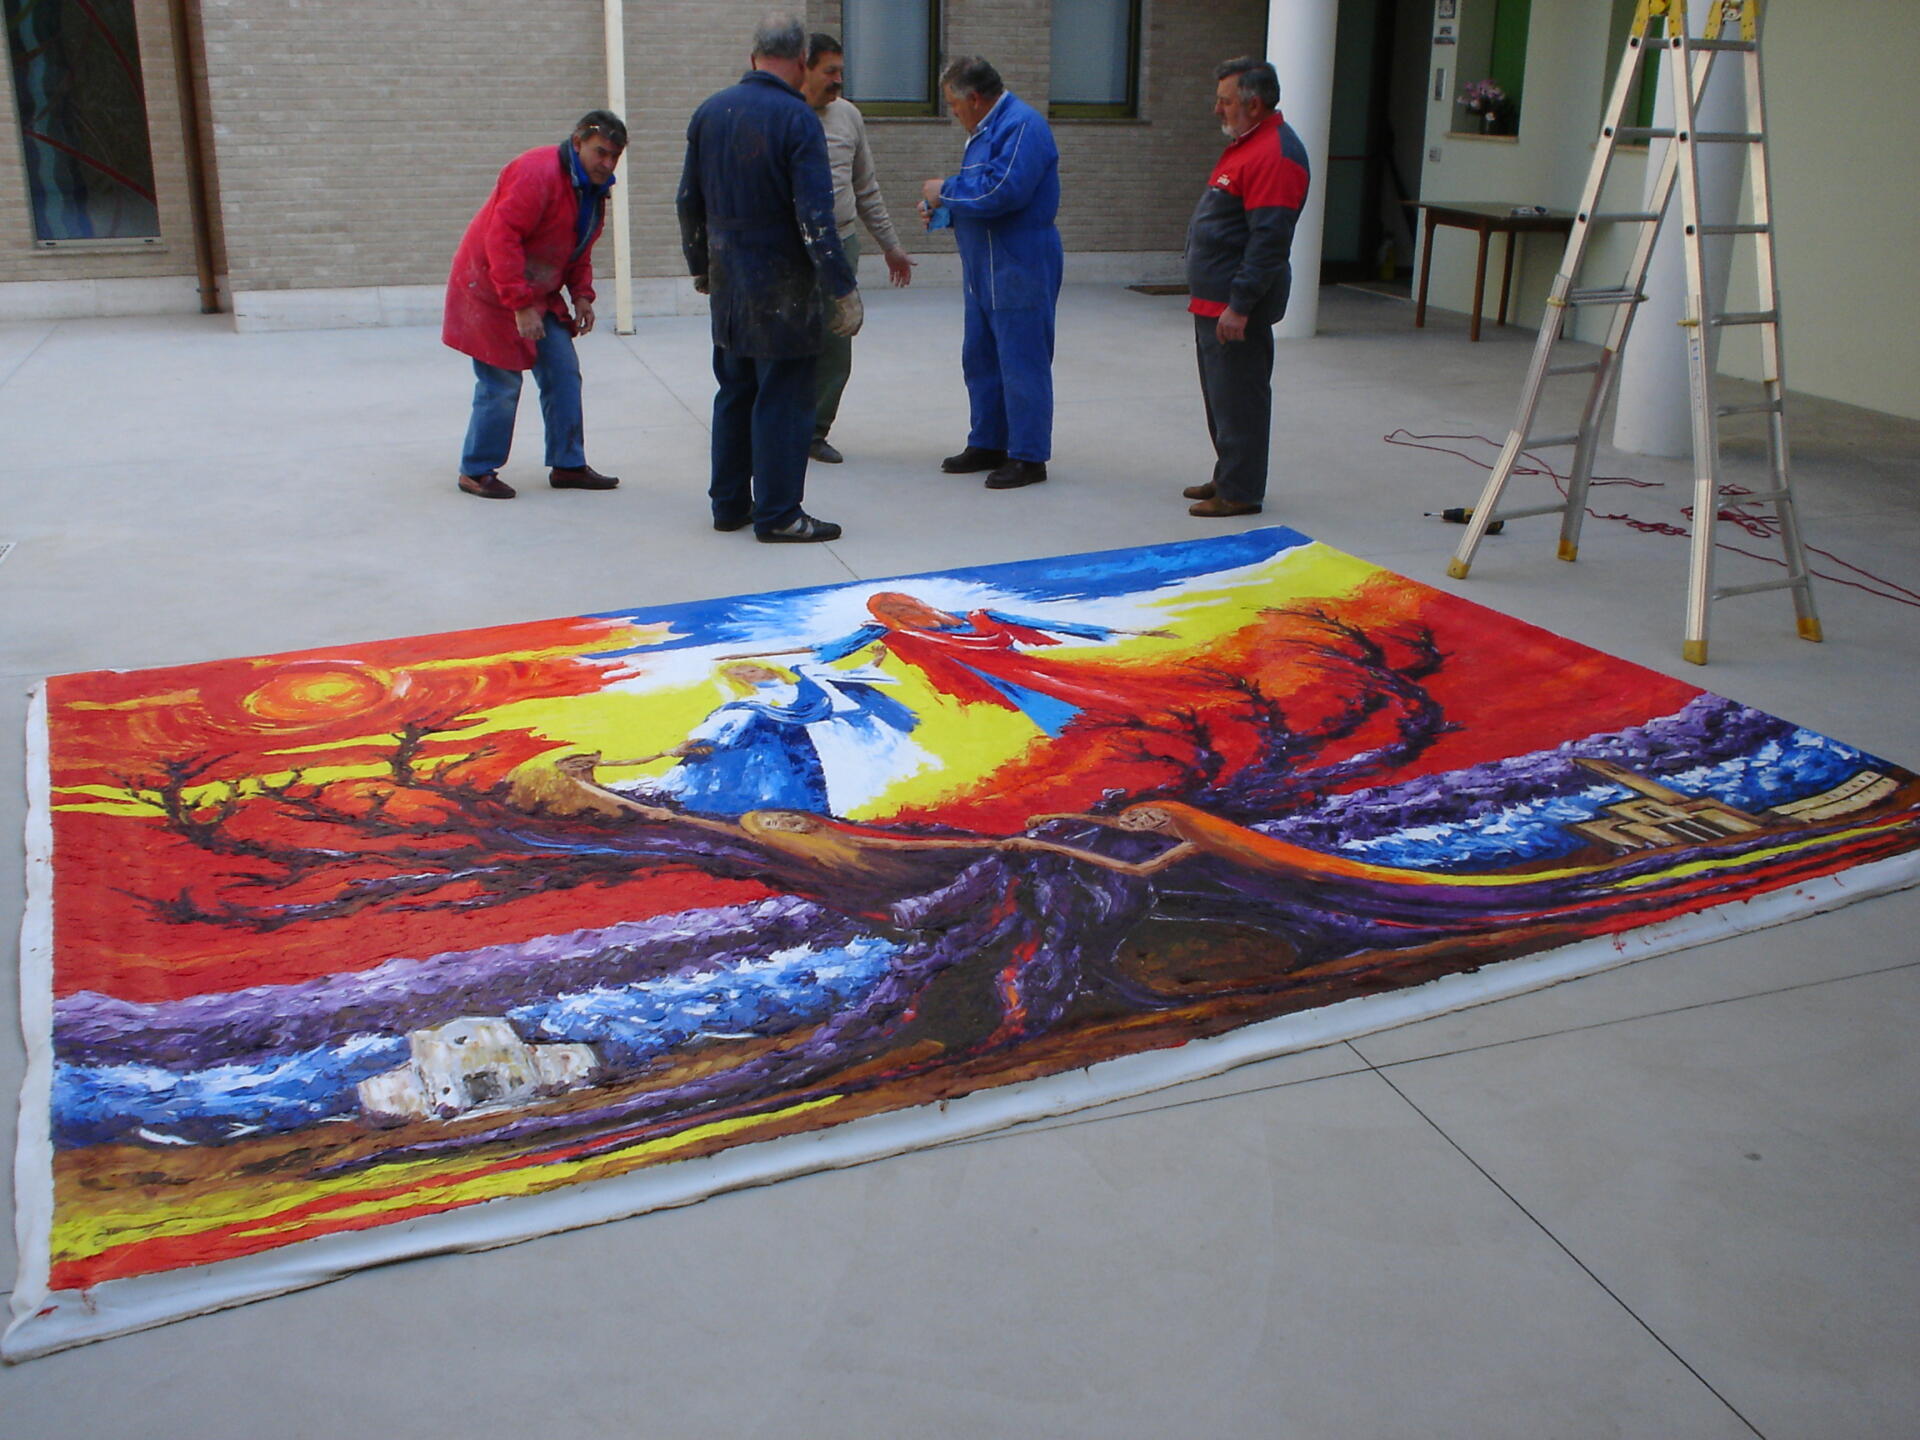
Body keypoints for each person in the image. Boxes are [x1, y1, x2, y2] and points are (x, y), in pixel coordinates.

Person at [678, 13, 863, 544]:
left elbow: (688, 200)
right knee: (784, 396)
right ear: (802, 61)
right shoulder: (797, 118)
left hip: (729, 280)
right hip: (782, 282)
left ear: (753, 55)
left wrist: (700, 265)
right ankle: (780, 513)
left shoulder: (710, 112)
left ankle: (730, 503)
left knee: (735, 390)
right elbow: (815, 217)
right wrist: (842, 288)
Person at [443, 111, 627, 501]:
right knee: (501, 383)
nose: (608, 163)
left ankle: (568, 464)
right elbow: (501, 238)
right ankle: (476, 470)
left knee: (563, 372)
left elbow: (577, 246)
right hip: (491, 288)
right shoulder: (536, 172)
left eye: (615, 155)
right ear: (577, 142)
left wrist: (582, 294)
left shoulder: (591, 189)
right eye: (601, 152)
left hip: (536, 291)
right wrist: (520, 305)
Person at [918, 57, 1062, 492]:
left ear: (976, 98)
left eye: (953, 104)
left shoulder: (1022, 127)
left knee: (1021, 360)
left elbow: (1003, 191)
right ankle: (988, 441)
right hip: (984, 266)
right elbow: (980, 196)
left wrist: (944, 190)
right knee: (981, 357)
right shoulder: (985, 131)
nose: (953, 112)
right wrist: (944, 211)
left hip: (1020, 263)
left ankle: (1028, 455)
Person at [1182, 57, 1310, 519]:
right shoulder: (1248, 144)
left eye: (1225, 101)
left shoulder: (1274, 154)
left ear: (1254, 104)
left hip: (1233, 306)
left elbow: (1269, 240)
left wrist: (1239, 305)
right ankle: (1229, 474)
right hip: (1213, 301)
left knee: (1240, 399)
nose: (1217, 109)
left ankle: (1240, 491)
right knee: (1222, 397)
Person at [799, 32, 916, 466]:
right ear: (804, 69)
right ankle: (771, 428)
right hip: (790, 250)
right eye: (830, 71)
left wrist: (891, 247)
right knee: (783, 341)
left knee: (836, 345)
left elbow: (866, 187)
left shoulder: (848, 116)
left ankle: (814, 432)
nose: (838, 80)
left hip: (841, 244)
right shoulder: (781, 115)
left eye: (841, 72)